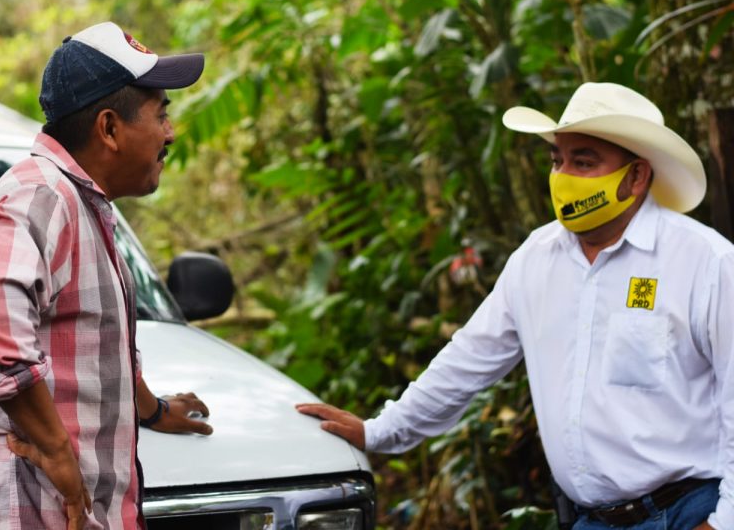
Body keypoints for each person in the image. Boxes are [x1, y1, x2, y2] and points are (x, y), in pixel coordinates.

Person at [298, 82, 734, 530]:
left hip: (686, 514)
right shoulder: (537, 258)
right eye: (557, 160)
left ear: (637, 176)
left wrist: (723, 523)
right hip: (591, 519)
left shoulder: (704, 262)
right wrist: (380, 431)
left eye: (584, 162)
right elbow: (469, 359)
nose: (563, 176)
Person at [0, 22, 213, 530]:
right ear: (109, 128)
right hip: (30, 511)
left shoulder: (79, 203)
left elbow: (91, 334)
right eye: (161, 116)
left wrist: (151, 407)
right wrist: (57, 451)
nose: (169, 133)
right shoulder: (40, 195)